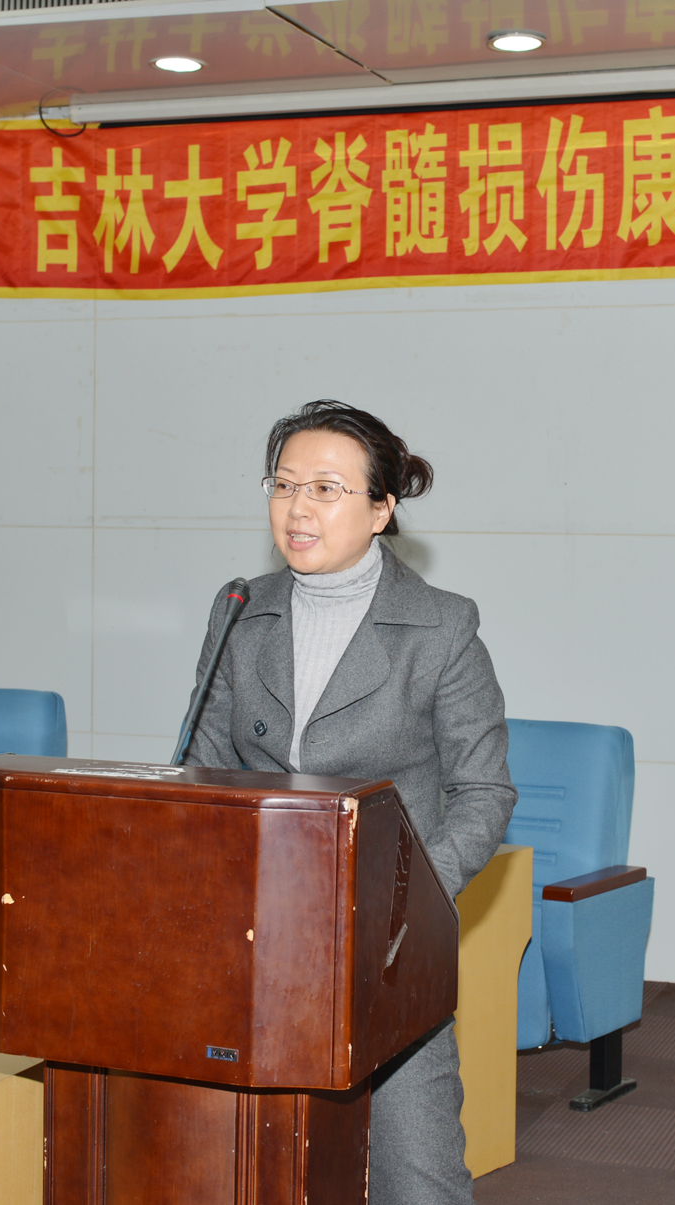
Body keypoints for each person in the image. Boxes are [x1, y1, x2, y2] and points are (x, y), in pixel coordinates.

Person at [183, 399, 516, 1205]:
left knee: (416, 1174)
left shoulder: (441, 627)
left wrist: (409, 903)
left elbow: (483, 792)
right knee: (246, 1164)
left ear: (380, 508)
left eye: (326, 489)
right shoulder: (241, 610)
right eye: (284, 484)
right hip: (258, 929)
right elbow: (204, 767)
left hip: (386, 941)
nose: (297, 508)